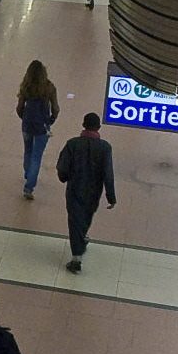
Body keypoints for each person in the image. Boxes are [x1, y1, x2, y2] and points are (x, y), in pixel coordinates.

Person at [55, 112, 117, 272]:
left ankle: (77, 256)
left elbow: (62, 167)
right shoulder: (105, 147)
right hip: (94, 191)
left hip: (75, 187)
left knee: (75, 219)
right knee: (86, 216)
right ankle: (80, 244)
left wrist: (64, 177)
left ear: (83, 125)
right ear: (99, 127)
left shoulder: (72, 144)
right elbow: (108, 174)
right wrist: (111, 196)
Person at [14, 60, 59, 200]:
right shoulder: (49, 87)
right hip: (42, 126)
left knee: (28, 151)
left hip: (27, 125)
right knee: (36, 156)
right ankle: (29, 187)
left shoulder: (26, 86)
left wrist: (24, 118)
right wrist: (51, 120)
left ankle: (29, 174)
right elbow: (56, 108)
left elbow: (19, 107)